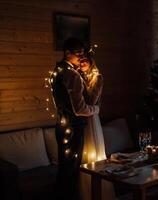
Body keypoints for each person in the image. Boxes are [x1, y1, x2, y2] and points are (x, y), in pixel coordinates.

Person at [50, 38, 99, 200]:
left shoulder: (57, 70)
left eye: (83, 52)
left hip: (62, 126)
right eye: (78, 53)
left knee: (65, 169)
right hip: (73, 127)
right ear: (67, 53)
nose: (81, 56)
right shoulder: (72, 74)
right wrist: (96, 109)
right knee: (70, 171)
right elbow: (80, 109)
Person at [78, 51, 116, 200]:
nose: (82, 63)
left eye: (85, 60)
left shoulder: (97, 77)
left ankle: (100, 193)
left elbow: (92, 100)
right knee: (83, 155)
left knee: (93, 153)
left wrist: (82, 82)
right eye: (80, 60)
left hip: (91, 119)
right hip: (81, 119)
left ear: (91, 61)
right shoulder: (78, 76)